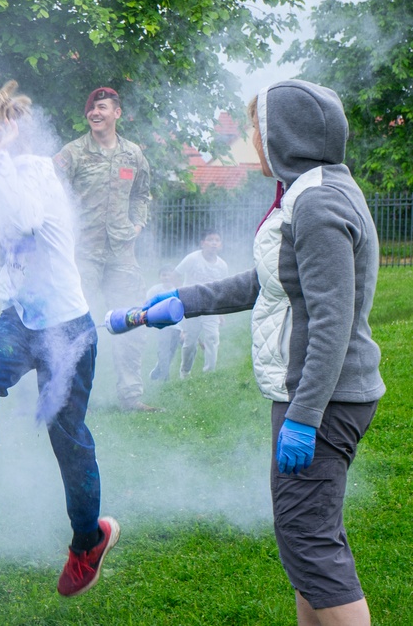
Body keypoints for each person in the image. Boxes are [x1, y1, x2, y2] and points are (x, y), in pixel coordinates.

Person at [145, 80, 384, 625]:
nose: (252, 138)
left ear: (285, 133)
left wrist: (303, 416)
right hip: (317, 394)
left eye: (256, 126)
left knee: (312, 544)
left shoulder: (319, 203)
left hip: (322, 399)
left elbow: (331, 319)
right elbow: (268, 281)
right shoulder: (311, 190)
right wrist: (184, 301)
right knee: (305, 542)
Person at [0, 76, 118, 598]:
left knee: (67, 440)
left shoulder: (34, 172)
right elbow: (10, 244)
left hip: (66, 330)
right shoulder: (2, 180)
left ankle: (88, 540)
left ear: (9, 135)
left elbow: (29, 218)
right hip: (20, 320)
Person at [53, 87, 154, 411]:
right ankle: (68, 397)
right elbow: (50, 192)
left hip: (122, 252)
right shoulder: (73, 153)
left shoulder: (133, 154)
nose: (95, 113)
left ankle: (131, 397)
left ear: (117, 113)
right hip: (82, 253)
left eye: (102, 108)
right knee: (77, 324)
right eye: (91, 109)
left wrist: (137, 224)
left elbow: (142, 194)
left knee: (131, 322)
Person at [174, 229, 228, 378]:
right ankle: (185, 372)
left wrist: (221, 313)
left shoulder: (222, 266)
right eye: (210, 240)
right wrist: (182, 295)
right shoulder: (192, 259)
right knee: (190, 341)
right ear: (202, 243)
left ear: (220, 245)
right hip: (192, 305)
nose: (214, 243)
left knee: (212, 337)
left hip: (211, 308)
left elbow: (222, 290)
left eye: (217, 240)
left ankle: (209, 373)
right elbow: (176, 274)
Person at [146, 267, 182, 381]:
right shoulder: (155, 290)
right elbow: (147, 304)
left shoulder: (178, 290)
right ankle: (165, 377)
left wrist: (183, 330)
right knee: (163, 351)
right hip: (162, 325)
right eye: (163, 275)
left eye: (169, 274)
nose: (166, 277)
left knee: (171, 352)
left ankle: (158, 370)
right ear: (159, 277)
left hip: (176, 326)